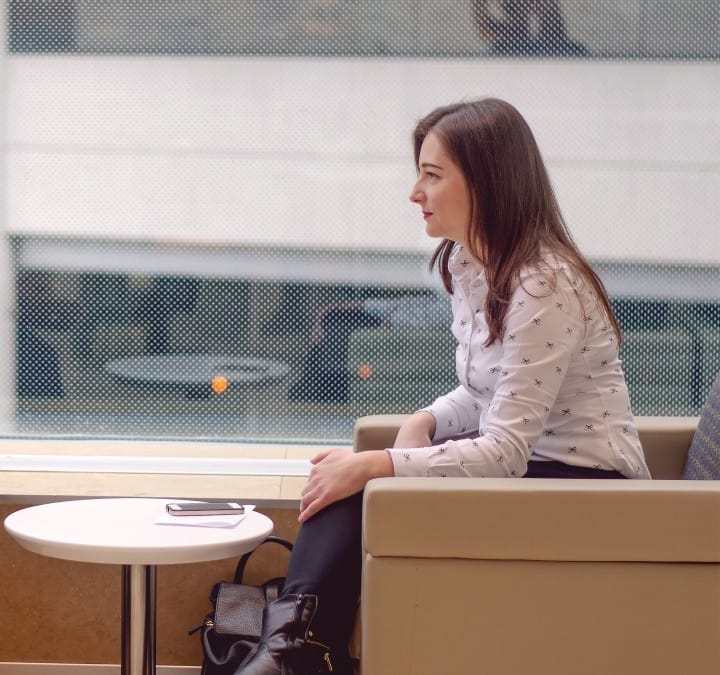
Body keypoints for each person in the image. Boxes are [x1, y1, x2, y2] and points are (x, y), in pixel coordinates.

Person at [236, 97, 651, 675]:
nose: (415, 193)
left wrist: (382, 462)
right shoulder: (468, 262)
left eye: (432, 175)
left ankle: (292, 652)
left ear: (487, 183)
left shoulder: (543, 285)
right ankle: (293, 649)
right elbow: (483, 392)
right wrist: (424, 421)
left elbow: (505, 452)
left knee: (360, 478)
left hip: (589, 489)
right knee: (348, 478)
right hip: (536, 469)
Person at [288, 289, 452, 402]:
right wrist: (328, 310)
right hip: (386, 317)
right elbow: (397, 304)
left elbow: (425, 319)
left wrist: (389, 320)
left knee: (338, 330)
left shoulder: (453, 305)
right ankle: (309, 380)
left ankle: (318, 386)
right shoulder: (436, 293)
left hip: (387, 328)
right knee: (333, 317)